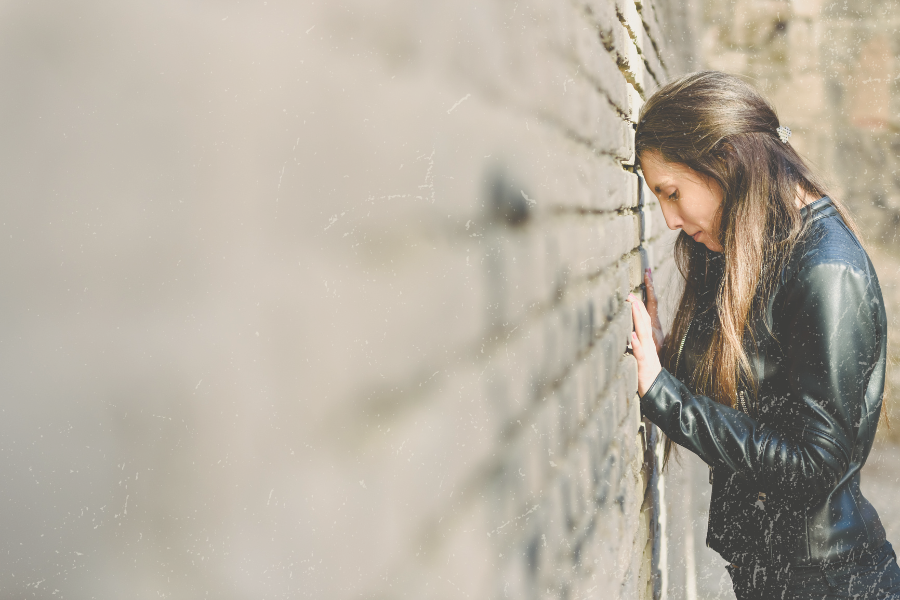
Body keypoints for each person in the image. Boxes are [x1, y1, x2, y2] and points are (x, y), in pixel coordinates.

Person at [627, 71, 900, 599]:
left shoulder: (827, 269)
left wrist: (665, 396)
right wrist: (664, 361)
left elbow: (811, 467)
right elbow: (757, 402)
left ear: (726, 159)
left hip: (827, 583)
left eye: (673, 192)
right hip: (777, 578)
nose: (668, 220)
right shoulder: (756, 249)